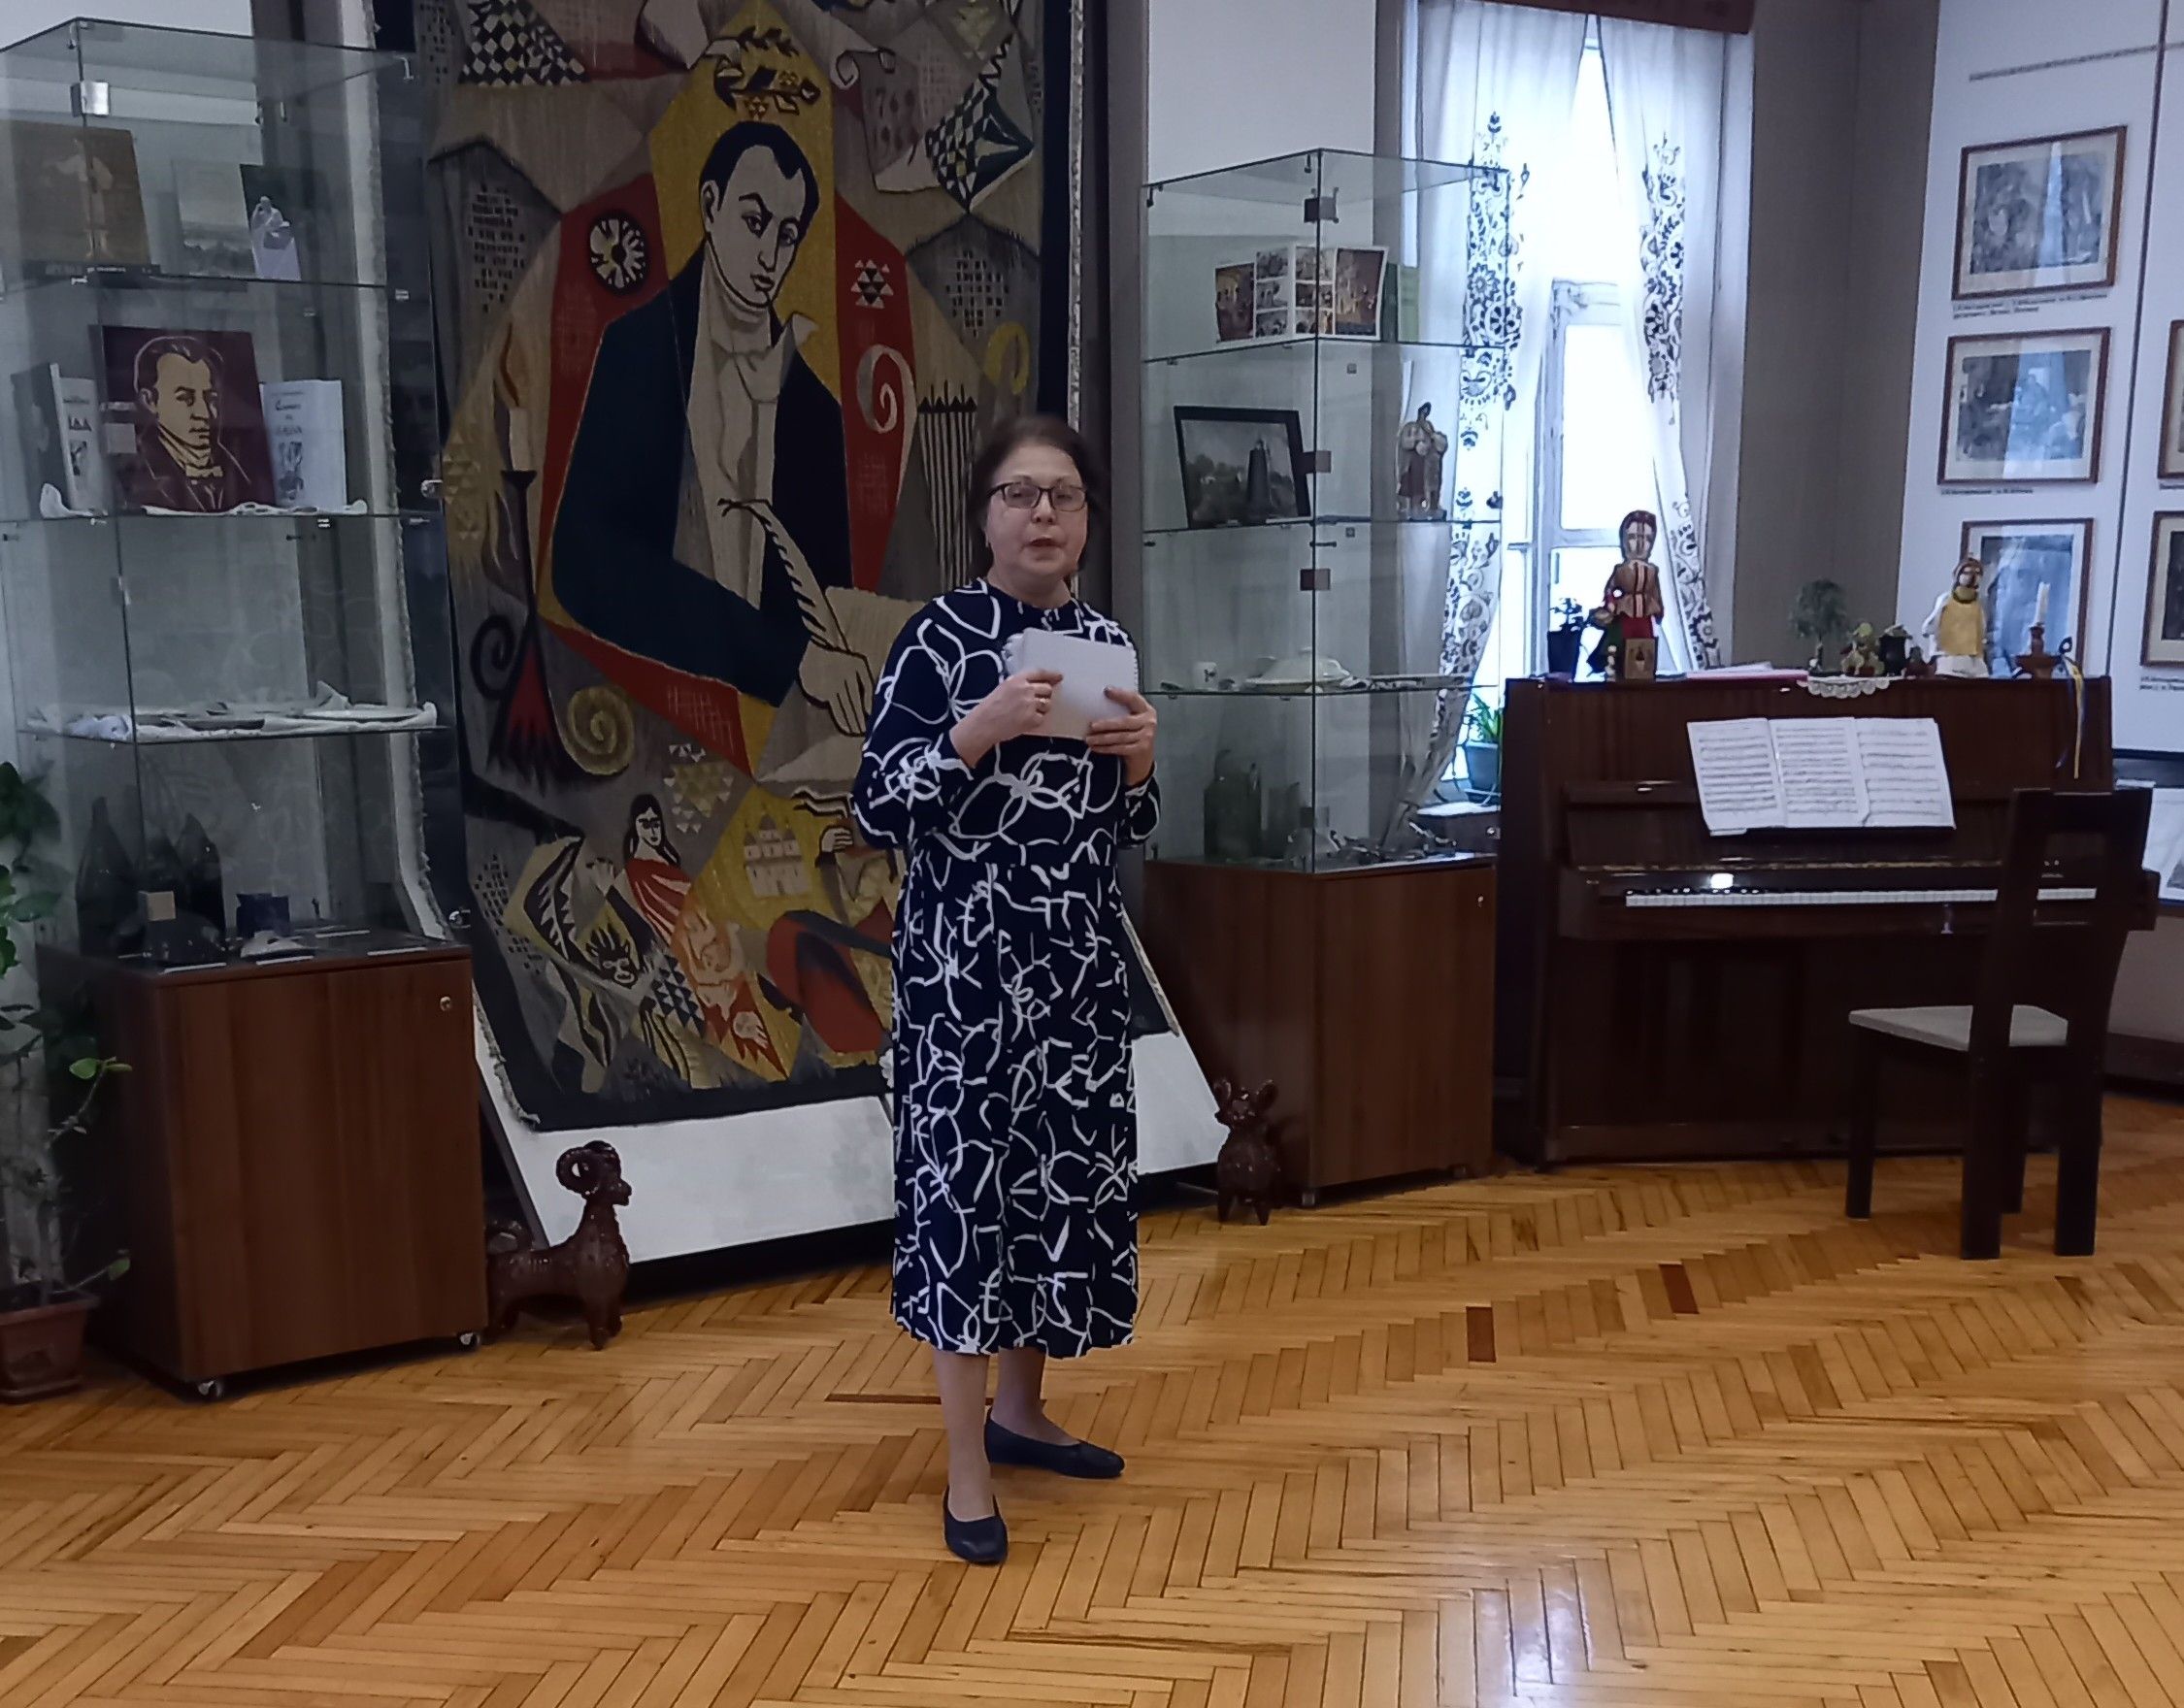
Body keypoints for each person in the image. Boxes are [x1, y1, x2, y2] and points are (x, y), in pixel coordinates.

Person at [851, 415, 1160, 1566]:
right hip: (965, 974)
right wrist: (973, 734)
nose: (1043, 515)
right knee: (967, 1198)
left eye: (1063, 496)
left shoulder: (1106, 642)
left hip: (1075, 966)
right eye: (1021, 494)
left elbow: (1123, 824)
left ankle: (1023, 1413)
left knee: (1052, 1188)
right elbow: (874, 806)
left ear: (1086, 518)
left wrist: (1142, 765)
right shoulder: (938, 638)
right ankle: (965, 1462)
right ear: (984, 514)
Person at [552, 119, 875, 734]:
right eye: (754, 222)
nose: (770, 258)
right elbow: (584, 564)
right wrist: (782, 658)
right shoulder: (636, 351)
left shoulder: (816, 412)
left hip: (777, 742)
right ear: (709, 205)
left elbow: (829, 614)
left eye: (787, 235)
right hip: (646, 718)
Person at [123, 335, 271, 513]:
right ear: (150, 401)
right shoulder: (137, 471)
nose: (204, 414)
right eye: (185, 398)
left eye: (211, 399)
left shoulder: (240, 468)